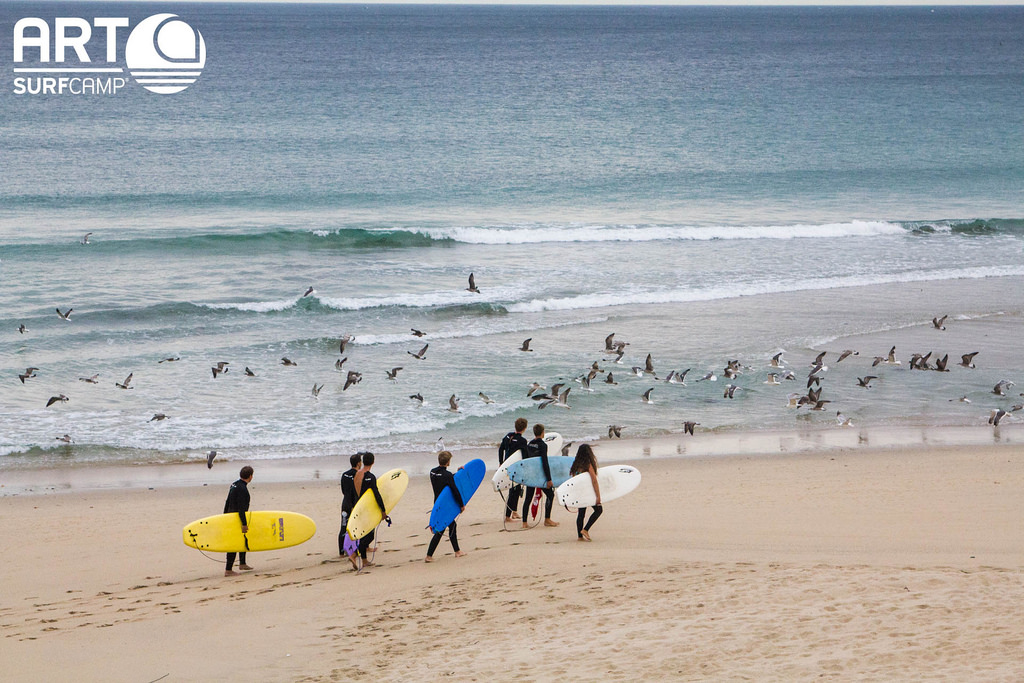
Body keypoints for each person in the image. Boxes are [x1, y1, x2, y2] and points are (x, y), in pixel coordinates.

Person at [426, 450, 467, 562]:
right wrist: (461, 505)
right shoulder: (447, 475)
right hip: (445, 506)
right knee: (441, 529)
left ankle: (457, 551)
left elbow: (444, 478)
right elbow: (454, 490)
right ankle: (429, 556)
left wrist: (457, 473)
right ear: (448, 462)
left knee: (451, 526)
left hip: (437, 504)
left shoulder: (432, 472)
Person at [353, 452, 390, 567]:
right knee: (369, 535)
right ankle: (354, 555)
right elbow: (376, 494)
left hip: (357, 507)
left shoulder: (357, 474)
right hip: (366, 508)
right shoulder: (370, 476)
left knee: (363, 533)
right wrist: (383, 510)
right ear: (373, 462)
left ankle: (363, 560)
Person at [522, 423, 558, 528]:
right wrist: (549, 479)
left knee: (528, 498)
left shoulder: (529, 444)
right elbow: (544, 462)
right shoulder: (543, 445)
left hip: (530, 474)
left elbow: (526, 460)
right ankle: (547, 519)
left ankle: (524, 523)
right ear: (542, 433)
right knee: (550, 495)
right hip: (540, 476)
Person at [224, 465, 254, 576]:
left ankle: (242, 563)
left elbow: (227, 502)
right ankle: (228, 570)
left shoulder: (234, 484)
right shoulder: (242, 489)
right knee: (234, 542)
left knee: (243, 539)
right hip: (237, 518)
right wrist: (244, 523)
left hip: (230, 515)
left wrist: (224, 516)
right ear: (250, 476)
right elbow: (241, 508)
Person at [498, 417, 529, 523]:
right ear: (525, 428)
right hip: (516, 468)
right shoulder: (522, 441)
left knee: (516, 489)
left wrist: (501, 462)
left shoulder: (508, 436)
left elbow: (501, 448)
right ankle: (507, 516)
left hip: (507, 466)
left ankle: (514, 512)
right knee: (513, 491)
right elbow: (525, 456)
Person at [570, 444, 602, 541]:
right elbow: (594, 480)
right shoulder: (587, 464)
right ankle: (585, 530)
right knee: (599, 510)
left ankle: (580, 537)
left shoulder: (575, 465)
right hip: (587, 492)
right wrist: (598, 496)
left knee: (581, 514)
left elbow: (573, 480)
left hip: (579, 492)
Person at [339, 452, 363, 569]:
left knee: (343, 527)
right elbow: (358, 491)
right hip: (354, 504)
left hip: (345, 503)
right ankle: (357, 550)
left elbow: (343, 490)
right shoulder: (358, 475)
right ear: (359, 463)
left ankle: (341, 552)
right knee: (356, 527)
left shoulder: (344, 475)